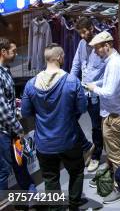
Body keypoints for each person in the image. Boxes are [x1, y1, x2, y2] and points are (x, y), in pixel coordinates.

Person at [21, 44, 87, 210]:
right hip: (69, 139)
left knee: (50, 179)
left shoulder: (31, 84)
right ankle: (73, 207)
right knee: (77, 172)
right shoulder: (72, 81)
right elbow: (82, 108)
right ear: (59, 58)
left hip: (44, 142)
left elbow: (26, 112)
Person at [84, 31, 120, 205]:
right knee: (111, 152)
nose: (95, 52)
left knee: (116, 155)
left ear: (107, 46)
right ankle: (108, 178)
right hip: (110, 113)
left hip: (114, 115)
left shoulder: (115, 64)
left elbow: (109, 92)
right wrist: (96, 84)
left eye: (97, 49)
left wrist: (92, 88)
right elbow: (108, 82)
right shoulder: (111, 62)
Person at [0, 38, 36, 199]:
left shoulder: (5, 70)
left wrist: (16, 102)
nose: (16, 54)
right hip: (4, 132)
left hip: (10, 129)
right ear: (3, 52)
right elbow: (3, 110)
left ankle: (30, 192)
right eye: (13, 51)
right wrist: (18, 129)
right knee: (4, 170)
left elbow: (7, 99)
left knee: (19, 162)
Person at [70, 17, 107, 172]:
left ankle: (96, 156)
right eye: (80, 33)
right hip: (81, 91)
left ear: (92, 28)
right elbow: (76, 65)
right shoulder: (81, 44)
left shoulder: (103, 46)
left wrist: (95, 86)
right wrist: (70, 83)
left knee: (96, 126)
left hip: (96, 94)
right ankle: (86, 147)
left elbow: (108, 74)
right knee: (69, 118)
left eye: (84, 32)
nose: (83, 36)